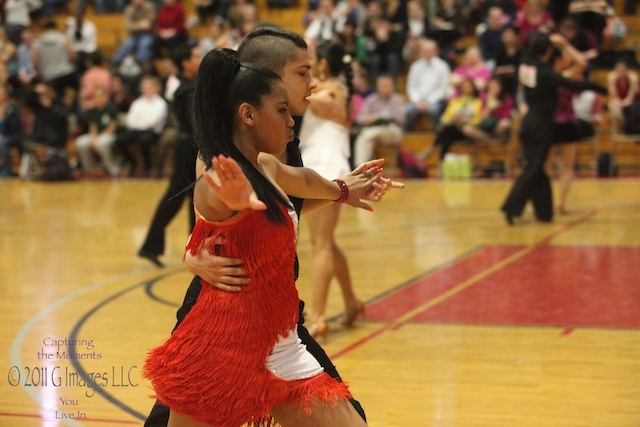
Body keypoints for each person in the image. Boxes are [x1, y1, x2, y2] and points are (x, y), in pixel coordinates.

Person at [142, 26, 403, 427]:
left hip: (279, 331)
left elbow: (300, 188)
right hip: (225, 330)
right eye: (302, 72)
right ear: (257, 94)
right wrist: (214, 232)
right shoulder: (219, 162)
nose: (311, 83)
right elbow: (212, 207)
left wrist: (343, 190)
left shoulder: (273, 151)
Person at [500, 32, 607, 225]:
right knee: (534, 168)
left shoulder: (526, 65)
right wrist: (600, 88)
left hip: (528, 122)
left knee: (539, 167)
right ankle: (511, 206)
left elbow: (531, 49)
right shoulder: (546, 73)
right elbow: (572, 83)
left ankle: (544, 211)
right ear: (548, 51)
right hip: (541, 125)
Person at [298, 40, 363, 340]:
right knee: (326, 242)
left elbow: (316, 99)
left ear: (323, 64)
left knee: (320, 245)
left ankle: (319, 316)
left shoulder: (332, 90)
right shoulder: (333, 87)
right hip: (321, 164)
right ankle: (351, 302)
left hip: (325, 166)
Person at [138, 44, 201, 267]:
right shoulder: (187, 89)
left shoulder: (190, 86)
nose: (199, 58)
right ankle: (154, 246)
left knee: (192, 198)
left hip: (190, 146)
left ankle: (194, 248)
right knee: (179, 197)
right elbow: (195, 124)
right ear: (185, 63)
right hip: (188, 147)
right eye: (195, 55)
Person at [546, 34, 598, 214]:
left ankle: (550, 202)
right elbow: (582, 63)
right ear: (559, 59)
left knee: (548, 166)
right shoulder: (565, 76)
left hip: (552, 124)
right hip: (566, 123)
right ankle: (560, 202)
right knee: (567, 166)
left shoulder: (545, 76)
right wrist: (566, 44)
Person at [418, 77, 483, 162]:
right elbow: (445, 119)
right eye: (464, 87)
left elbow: (478, 120)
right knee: (447, 132)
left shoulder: (477, 102)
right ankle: (441, 160)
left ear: (473, 88)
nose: (466, 89)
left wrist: (464, 121)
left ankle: (430, 151)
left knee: (446, 133)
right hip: (454, 130)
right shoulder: (455, 101)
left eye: (468, 86)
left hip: (468, 131)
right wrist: (453, 119)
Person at [115, 74, 168, 177]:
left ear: (154, 88)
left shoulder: (160, 103)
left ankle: (147, 166)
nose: (146, 89)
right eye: (144, 87)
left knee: (144, 141)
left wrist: (140, 123)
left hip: (152, 132)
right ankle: (132, 162)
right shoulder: (137, 102)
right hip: (136, 130)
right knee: (119, 140)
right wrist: (141, 124)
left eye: (149, 87)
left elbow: (153, 121)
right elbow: (130, 120)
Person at [352, 73, 406, 166]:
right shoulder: (371, 99)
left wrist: (378, 117)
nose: (386, 88)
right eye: (383, 86)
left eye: (388, 86)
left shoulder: (397, 99)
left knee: (368, 134)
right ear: (378, 87)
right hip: (373, 130)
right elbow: (360, 118)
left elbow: (401, 119)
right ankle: (361, 167)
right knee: (363, 139)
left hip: (392, 130)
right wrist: (368, 119)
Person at [404, 37, 451, 131]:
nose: (427, 53)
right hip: (417, 101)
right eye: (425, 50)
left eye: (429, 50)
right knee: (407, 110)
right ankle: (408, 134)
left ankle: (437, 132)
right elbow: (411, 86)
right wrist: (417, 101)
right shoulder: (415, 66)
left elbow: (443, 88)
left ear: (435, 51)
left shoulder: (443, 66)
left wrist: (429, 102)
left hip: (435, 100)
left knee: (433, 110)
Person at [74, 86, 120, 176]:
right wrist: (93, 138)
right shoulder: (93, 110)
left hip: (109, 134)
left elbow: (112, 128)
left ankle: (111, 167)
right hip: (97, 135)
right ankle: (89, 169)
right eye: (96, 96)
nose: (99, 98)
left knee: (101, 144)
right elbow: (93, 126)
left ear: (106, 96)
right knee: (80, 143)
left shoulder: (111, 108)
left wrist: (98, 138)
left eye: (100, 95)